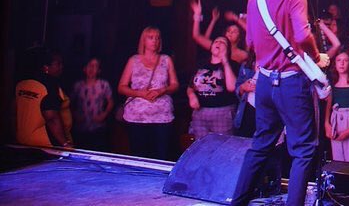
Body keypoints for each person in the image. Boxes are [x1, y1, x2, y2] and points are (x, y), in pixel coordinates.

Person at [230, 0, 325, 206]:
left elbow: (250, 43)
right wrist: (316, 57)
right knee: (303, 150)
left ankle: (238, 203)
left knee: (261, 145)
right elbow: (303, 35)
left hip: (264, 83)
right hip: (291, 84)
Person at [117, 26, 178, 159]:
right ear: (143, 40)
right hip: (137, 116)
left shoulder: (166, 60)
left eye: (157, 38)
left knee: (161, 155)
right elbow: (121, 87)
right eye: (151, 38)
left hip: (161, 116)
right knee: (139, 155)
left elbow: (175, 85)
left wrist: (163, 90)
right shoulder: (134, 60)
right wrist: (140, 93)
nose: (154, 41)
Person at [16, 47, 73, 148]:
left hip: (21, 141)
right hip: (45, 145)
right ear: (46, 67)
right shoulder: (50, 85)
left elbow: (13, 112)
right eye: (58, 64)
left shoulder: (21, 84)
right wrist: (65, 144)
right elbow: (51, 118)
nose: (61, 67)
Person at [187, 35, 238, 140]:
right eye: (216, 41)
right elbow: (191, 86)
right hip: (200, 112)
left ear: (228, 49)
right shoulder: (201, 64)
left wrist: (225, 61)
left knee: (222, 147)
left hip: (222, 112)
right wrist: (191, 95)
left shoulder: (233, 65)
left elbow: (232, 87)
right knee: (201, 147)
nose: (218, 43)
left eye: (223, 42)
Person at [72, 57, 113, 150]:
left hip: (98, 127)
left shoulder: (103, 84)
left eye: (95, 66)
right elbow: (70, 102)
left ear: (99, 70)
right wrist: (75, 115)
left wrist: (104, 115)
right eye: (89, 65)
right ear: (84, 68)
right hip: (81, 127)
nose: (91, 68)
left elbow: (111, 102)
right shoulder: (78, 85)